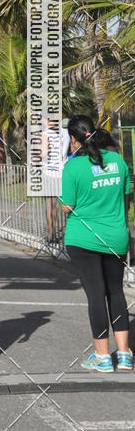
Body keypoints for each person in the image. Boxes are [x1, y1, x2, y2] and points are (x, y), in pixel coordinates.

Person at [59, 115, 132, 372]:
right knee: (115, 292)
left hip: (84, 239)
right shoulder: (118, 161)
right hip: (116, 237)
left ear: (75, 139)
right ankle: (123, 355)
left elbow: (67, 206)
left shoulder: (73, 166)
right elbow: (125, 199)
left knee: (95, 296)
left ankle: (102, 357)